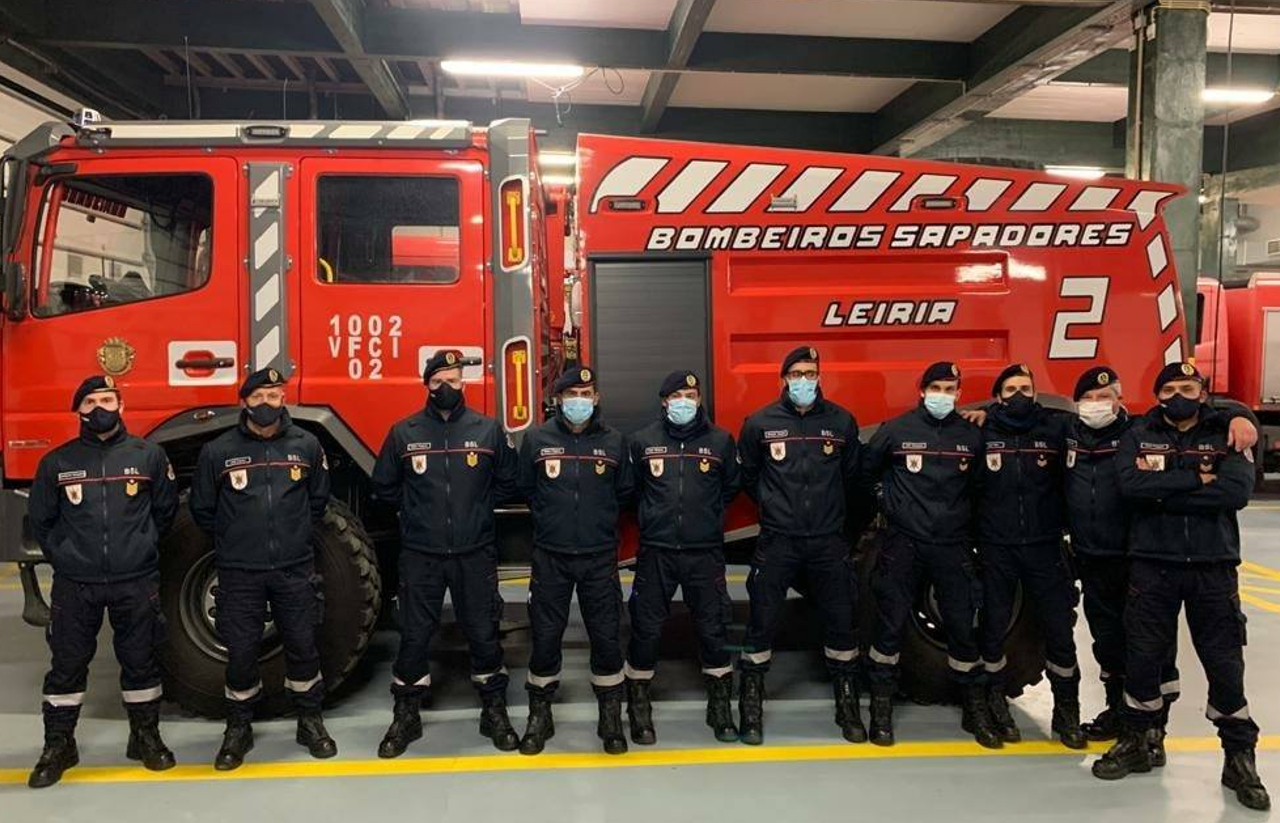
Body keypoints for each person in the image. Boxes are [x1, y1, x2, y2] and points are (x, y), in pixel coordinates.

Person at [1093, 362, 1269, 812]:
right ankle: (1139, 739)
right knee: (1143, 657)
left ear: (1203, 392)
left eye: (1187, 387)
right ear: (1157, 395)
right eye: (1169, 388)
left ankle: (1239, 758)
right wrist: (1197, 479)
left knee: (1224, 663)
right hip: (1153, 566)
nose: (1178, 396)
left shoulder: (1229, 432)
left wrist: (1163, 491)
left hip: (1213, 566)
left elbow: (1235, 493)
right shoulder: (1138, 433)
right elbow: (1131, 487)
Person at [26, 376, 178, 788]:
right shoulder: (57, 463)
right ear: (78, 411)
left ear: (121, 405)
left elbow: (164, 512)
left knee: (141, 661)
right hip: (77, 585)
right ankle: (59, 745)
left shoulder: (149, 456)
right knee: (67, 665)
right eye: (90, 402)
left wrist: (140, 548)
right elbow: (42, 521)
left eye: (107, 400)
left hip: (135, 580)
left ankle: (145, 737)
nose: (99, 408)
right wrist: (68, 558)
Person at [371, 350, 520, 757]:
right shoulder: (404, 432)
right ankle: (406, 714)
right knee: (414, 634)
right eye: (438, 381)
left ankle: (494, 710)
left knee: (483, 631)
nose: (446, 388)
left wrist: (476, 512)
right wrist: (418, 514)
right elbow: (384, 486)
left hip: (475, 553)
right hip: (422, 554)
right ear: (427, 385)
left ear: (463, 383)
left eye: (453, 380)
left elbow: (509, 482)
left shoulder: (488, 430)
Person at [190, 367, 335, 770]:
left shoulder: (307, 445)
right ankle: (239, 728)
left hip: (294, 569)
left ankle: (310, 722)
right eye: (258, 397)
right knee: (240, 653)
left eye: (273, 395)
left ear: (284, 399)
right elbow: (203, 509)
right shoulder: (218, 451)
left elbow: (318, 501)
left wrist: (293, 536)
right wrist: (238, 540)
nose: (266, 403)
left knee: (303, 647)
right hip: (240, 572)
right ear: (244, 402)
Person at [862, 362, 1000, 748]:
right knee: (889, 625)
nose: (943, 395)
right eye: (936, 387)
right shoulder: (897, 430)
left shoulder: (970, 435)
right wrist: (886, 501)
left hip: (952, 546)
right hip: (903, 543)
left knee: (961, 626)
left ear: (959, 393)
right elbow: (866, 471)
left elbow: (980, 484)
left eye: (950, 389)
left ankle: (974, 708)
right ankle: (881, 708)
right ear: (922, 391)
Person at [736, 346, 864, 746]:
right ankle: (751, 704)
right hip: (779, 541)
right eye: (796, 374)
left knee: (841, 620)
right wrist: (774, 506)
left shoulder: (841, 422)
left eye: (810, 373)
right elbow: (749, 476)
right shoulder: (760, 423)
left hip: (827, 541)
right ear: (783, 379)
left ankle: (847, 704)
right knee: (762, 621)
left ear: (819, 376)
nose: (803, 380)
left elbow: (852, 477)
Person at [517, 366, 635, 755]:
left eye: (586, 394)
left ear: (596, 398)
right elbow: (527, 489)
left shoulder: (615, 442)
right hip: (551, 557)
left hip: (599, 558)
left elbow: (625, 493)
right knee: (545, 637)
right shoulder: (537, 439)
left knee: (606, 637)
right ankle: (539, 715)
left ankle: (610, 718)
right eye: (572, 394)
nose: (579, 401)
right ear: (558, 399)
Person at [623, 370, 741, 745]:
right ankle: (638, 705)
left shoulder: (721, 441)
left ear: (700, 399)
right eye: (677, 396)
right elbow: (632, 491)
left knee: (713, 627)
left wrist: (703, 519)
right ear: (664, 401)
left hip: (703, 552)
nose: (684, 402)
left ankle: (720, 706)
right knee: (645, 628)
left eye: (691, 395)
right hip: (656, 551)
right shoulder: (642, 442)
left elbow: (730, 487)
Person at [977, 363, 1084, 748]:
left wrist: (1235, 415)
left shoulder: (1055, 429)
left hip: (1045, 546)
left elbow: (1113, 426)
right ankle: (995, 703)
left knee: (1058, 630)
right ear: (997, 397)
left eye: (1025, 388)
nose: (1019, 395)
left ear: (1036, 393)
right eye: (1011, 390)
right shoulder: (983, 430)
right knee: (993, 628)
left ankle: (1067, 711)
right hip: (997, 547)